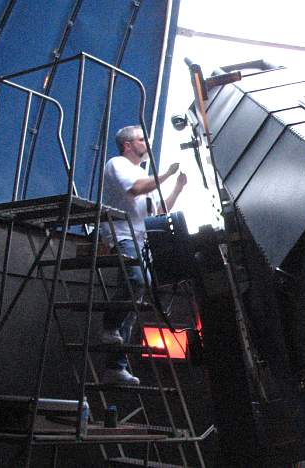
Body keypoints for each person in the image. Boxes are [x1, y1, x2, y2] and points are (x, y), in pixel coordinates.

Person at [99, 125, 187, 385]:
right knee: (137, 282)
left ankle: (115, 367)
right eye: (141, 139)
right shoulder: (117, 164)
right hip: (123, 235)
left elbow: (157, 210)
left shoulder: (141, 172)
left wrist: (179, 188)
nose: (147, 143)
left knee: (134, 300)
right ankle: (108, 326)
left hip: (140, 238)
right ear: (127, 145)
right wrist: (168, 174)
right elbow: (136, 189)